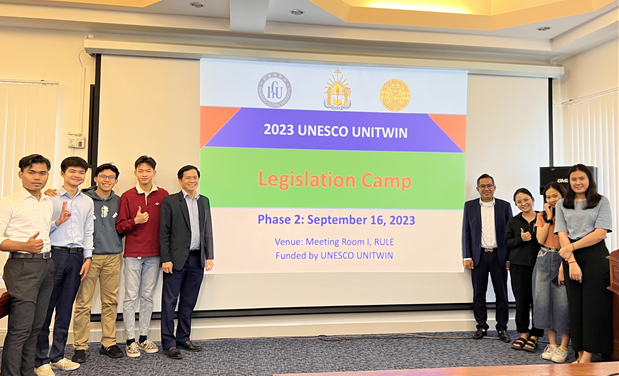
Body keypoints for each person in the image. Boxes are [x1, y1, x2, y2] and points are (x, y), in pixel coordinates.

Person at [35, 156, 94, 375]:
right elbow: (40, 230)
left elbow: (89, 231)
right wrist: (58, 222)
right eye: (73, 171)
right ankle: (40, 359)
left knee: (66, 309)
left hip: (77, 257)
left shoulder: (87, 201)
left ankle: (57, 356)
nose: (77, 175)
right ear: (62, 173)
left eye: (81, 172)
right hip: (54, 255)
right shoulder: (49, 199)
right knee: (46, 309)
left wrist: (88, 258)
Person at [0, 154, 56, 376]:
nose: (37, 177)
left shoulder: (47, 202)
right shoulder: (9, 202)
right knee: (20, 329)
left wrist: (58, 223)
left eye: (42, 173)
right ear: (21, 173)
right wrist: (24, 245)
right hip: (21, 267)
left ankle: (27, 372)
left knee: (36, 327)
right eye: (32, 172)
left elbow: (44, 230)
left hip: (46, 266)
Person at [555, 164, 613, 363]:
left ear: (589, 180)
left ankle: (588, 354)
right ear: (569, 182)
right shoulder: (562, 203)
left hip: (595, 255)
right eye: (573, 179)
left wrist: (571, 248)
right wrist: (571, 260)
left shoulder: (601, 201)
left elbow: (600, 233)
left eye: (582, 178)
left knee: (593, 306)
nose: (578, 182)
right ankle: (579, 352)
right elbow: (562, 234)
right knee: (575, 307)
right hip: (571, 257)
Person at [159, 165, 214, 359]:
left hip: (197, 259)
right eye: (187, 178)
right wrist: (165, 259)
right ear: (180, 180)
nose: (192, 181)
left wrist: (210, 256)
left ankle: (183, 338)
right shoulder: (170, 201)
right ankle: (169, 342)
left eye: (195, 177)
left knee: (188, 302)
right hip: (174, 260)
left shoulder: (204, 201)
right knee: (169, 302)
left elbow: (208, 230)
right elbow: (163, 232)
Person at [116, 155, 168, 357]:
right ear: (135, 173)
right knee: (130, 297)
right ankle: (130, 340)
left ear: (154, 173)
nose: (144, 174)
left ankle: (144, 338)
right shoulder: (127, 197)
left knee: (147, 297)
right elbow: (120, 227)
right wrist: (134, 221)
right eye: (141, 171)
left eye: (148, 171)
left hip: (154, 255)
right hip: (132, 255)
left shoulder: (163, 195)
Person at [71, 163, 124, 362]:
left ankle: (108, 342)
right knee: (84, 302)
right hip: (89, 257)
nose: (106, 180)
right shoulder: (84, 199)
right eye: (103, 176)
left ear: (116, 180)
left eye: (111, 177)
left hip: (113, 257)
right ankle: (80, 346)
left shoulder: (120, 201)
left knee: (110, 301)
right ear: (95, 178)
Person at [462, 173, 512, 343]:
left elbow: (509, 234)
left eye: (489, 185)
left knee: (502, 294)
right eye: (483, 186)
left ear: (495, 187)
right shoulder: (470, 207)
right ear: (478, 189)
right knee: (478, 294)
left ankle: (502, 328)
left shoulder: (505, 206)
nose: (486, 188)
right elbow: (466, 233)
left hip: (499, 256)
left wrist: (509, 257)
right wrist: (467, 256)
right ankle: (481, 326)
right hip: (478, 257)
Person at [534, 182, 570, 363]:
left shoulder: (570, 215)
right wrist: (548, 218)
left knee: (563, 304)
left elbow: (569, 243)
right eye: (548, 197)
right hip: (544, 257)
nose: (551, 200)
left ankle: (564, 346)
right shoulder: (541, 216)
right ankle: (552, 344)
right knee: (543, 302)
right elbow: (540, 239)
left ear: (563, 195)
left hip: (563, 258)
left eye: (555, 196)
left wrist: (564, 266)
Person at [505, 188, 543, 352]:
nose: (523, 204)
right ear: (516, 204)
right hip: (518, 265)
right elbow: (507, 242)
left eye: (526, 199)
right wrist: (521, 238)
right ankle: (523, 333)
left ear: (533, 199)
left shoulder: (543, 218)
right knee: (521, 300)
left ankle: (535, 335)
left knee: (539, 302)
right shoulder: (513, 221)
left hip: (540, 265)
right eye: (519, 202)